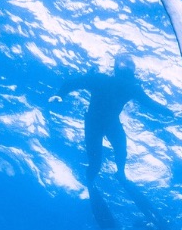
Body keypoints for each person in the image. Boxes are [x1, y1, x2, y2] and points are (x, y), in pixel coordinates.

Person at [55, 53, 166, 189]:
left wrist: (60, 94)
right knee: (113, 155)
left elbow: (71, 84)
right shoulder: (126, 86)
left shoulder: (105, 81)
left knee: (105, 158)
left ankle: (108, 176)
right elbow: (151, 104)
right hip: (102, 124)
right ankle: (113, 175)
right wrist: (59, 95)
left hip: (100, 124)